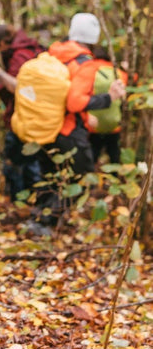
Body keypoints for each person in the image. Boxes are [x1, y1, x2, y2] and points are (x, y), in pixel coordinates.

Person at [34, 12, 126, 227]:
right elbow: (74, 102)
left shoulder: (54, 53)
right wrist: (108, 98)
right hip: (68, 128)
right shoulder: (84, 63)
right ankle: (46, 222)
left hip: (46, 125)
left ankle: (37, 219)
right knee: (84, 178)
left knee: (51, 175)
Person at [0, 24, 44, 200]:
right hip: (37, 118)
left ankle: (20, 206)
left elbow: (20, 88)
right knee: (30, 164)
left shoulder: (20, 55)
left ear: (2, 43)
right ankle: (30, 205)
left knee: (18, 165)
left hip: (23, 119)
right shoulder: (31, 49)